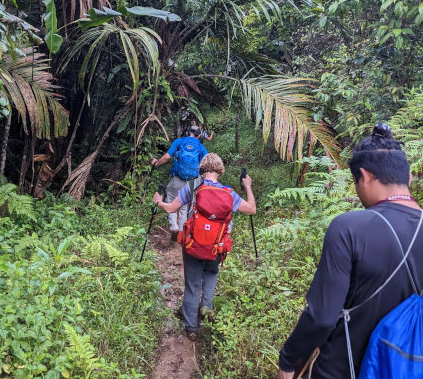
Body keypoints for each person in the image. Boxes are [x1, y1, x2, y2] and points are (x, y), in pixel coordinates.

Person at [278, 123, 423, 379]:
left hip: (342, 370)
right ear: (409, 177)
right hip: (406, 367)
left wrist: (289, 361)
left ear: (365, 176)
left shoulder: (348, 227)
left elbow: (321, 317)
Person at [153, 153, 256, 339]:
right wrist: (247, 186)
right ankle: (206, 309)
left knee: (192, 284)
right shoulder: (228, 192)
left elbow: (170, 208)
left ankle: (191, 329)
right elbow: (252, 210)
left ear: (202, 168)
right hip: (216, 246)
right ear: (220, 170)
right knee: (210, 275)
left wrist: (159, 202)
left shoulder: (191, 186)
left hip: (193, 243)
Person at [151, 126, 208, 241]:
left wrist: (156, 164)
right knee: (184, 206)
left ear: (187, 133)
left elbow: (167, 157)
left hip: (177, 178)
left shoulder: (179, 142)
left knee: (170, 200)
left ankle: (173, 226)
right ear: (199, 135)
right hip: (192, 182)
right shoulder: (201, 147)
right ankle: (181, 234)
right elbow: (205, 166)